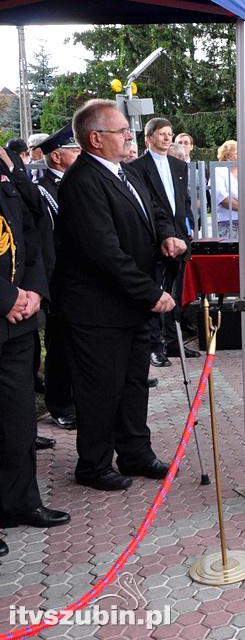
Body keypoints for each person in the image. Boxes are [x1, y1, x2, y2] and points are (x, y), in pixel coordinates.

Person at [53, 99, 186, 491]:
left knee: (133, 383)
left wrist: (166, 236)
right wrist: (152, 293)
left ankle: (135, 452)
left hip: (129, 306)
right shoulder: (83, 182)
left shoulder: (127, 173)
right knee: (101, 389)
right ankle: (93, 464)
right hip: (98, 309)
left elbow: (156, 212)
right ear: (96, 138)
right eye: (121, 131)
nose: (130, 136)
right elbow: (105, 253)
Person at [1, 145, 71, 540]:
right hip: (6, 305)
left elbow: (33, 228)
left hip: (20, 315)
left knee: (18, 418)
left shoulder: (8, 169)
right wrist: (6, 297)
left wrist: (33, 290)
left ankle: (20, 501)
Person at [126, 118, 196, 368]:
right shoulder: (137, 167)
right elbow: (148, 206)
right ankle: (155, 347)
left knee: (176, 293)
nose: (167, 138)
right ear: (148, 138)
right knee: (157, 293)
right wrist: (164, 235)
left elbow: (183, 200)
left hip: (179, 238)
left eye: (170, 134)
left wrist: (188, 228)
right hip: (154, 240)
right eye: (162, 134)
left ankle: (173, 341)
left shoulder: (179, 165)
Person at [36, 125, 81, 432]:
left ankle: (76, 399)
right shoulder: (43, 190)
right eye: (74, 150)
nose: (79, 154)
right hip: (59, 281)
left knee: (78, 346)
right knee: (60, 347)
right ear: (57, 156)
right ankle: (60, 404)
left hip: (81, 281)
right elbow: (45, 242)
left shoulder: (76, 183)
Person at [213, 139, 241, 239]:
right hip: (227, 223)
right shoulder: (219, 171)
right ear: (228, 156)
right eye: (238, 152)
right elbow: (223, 200)